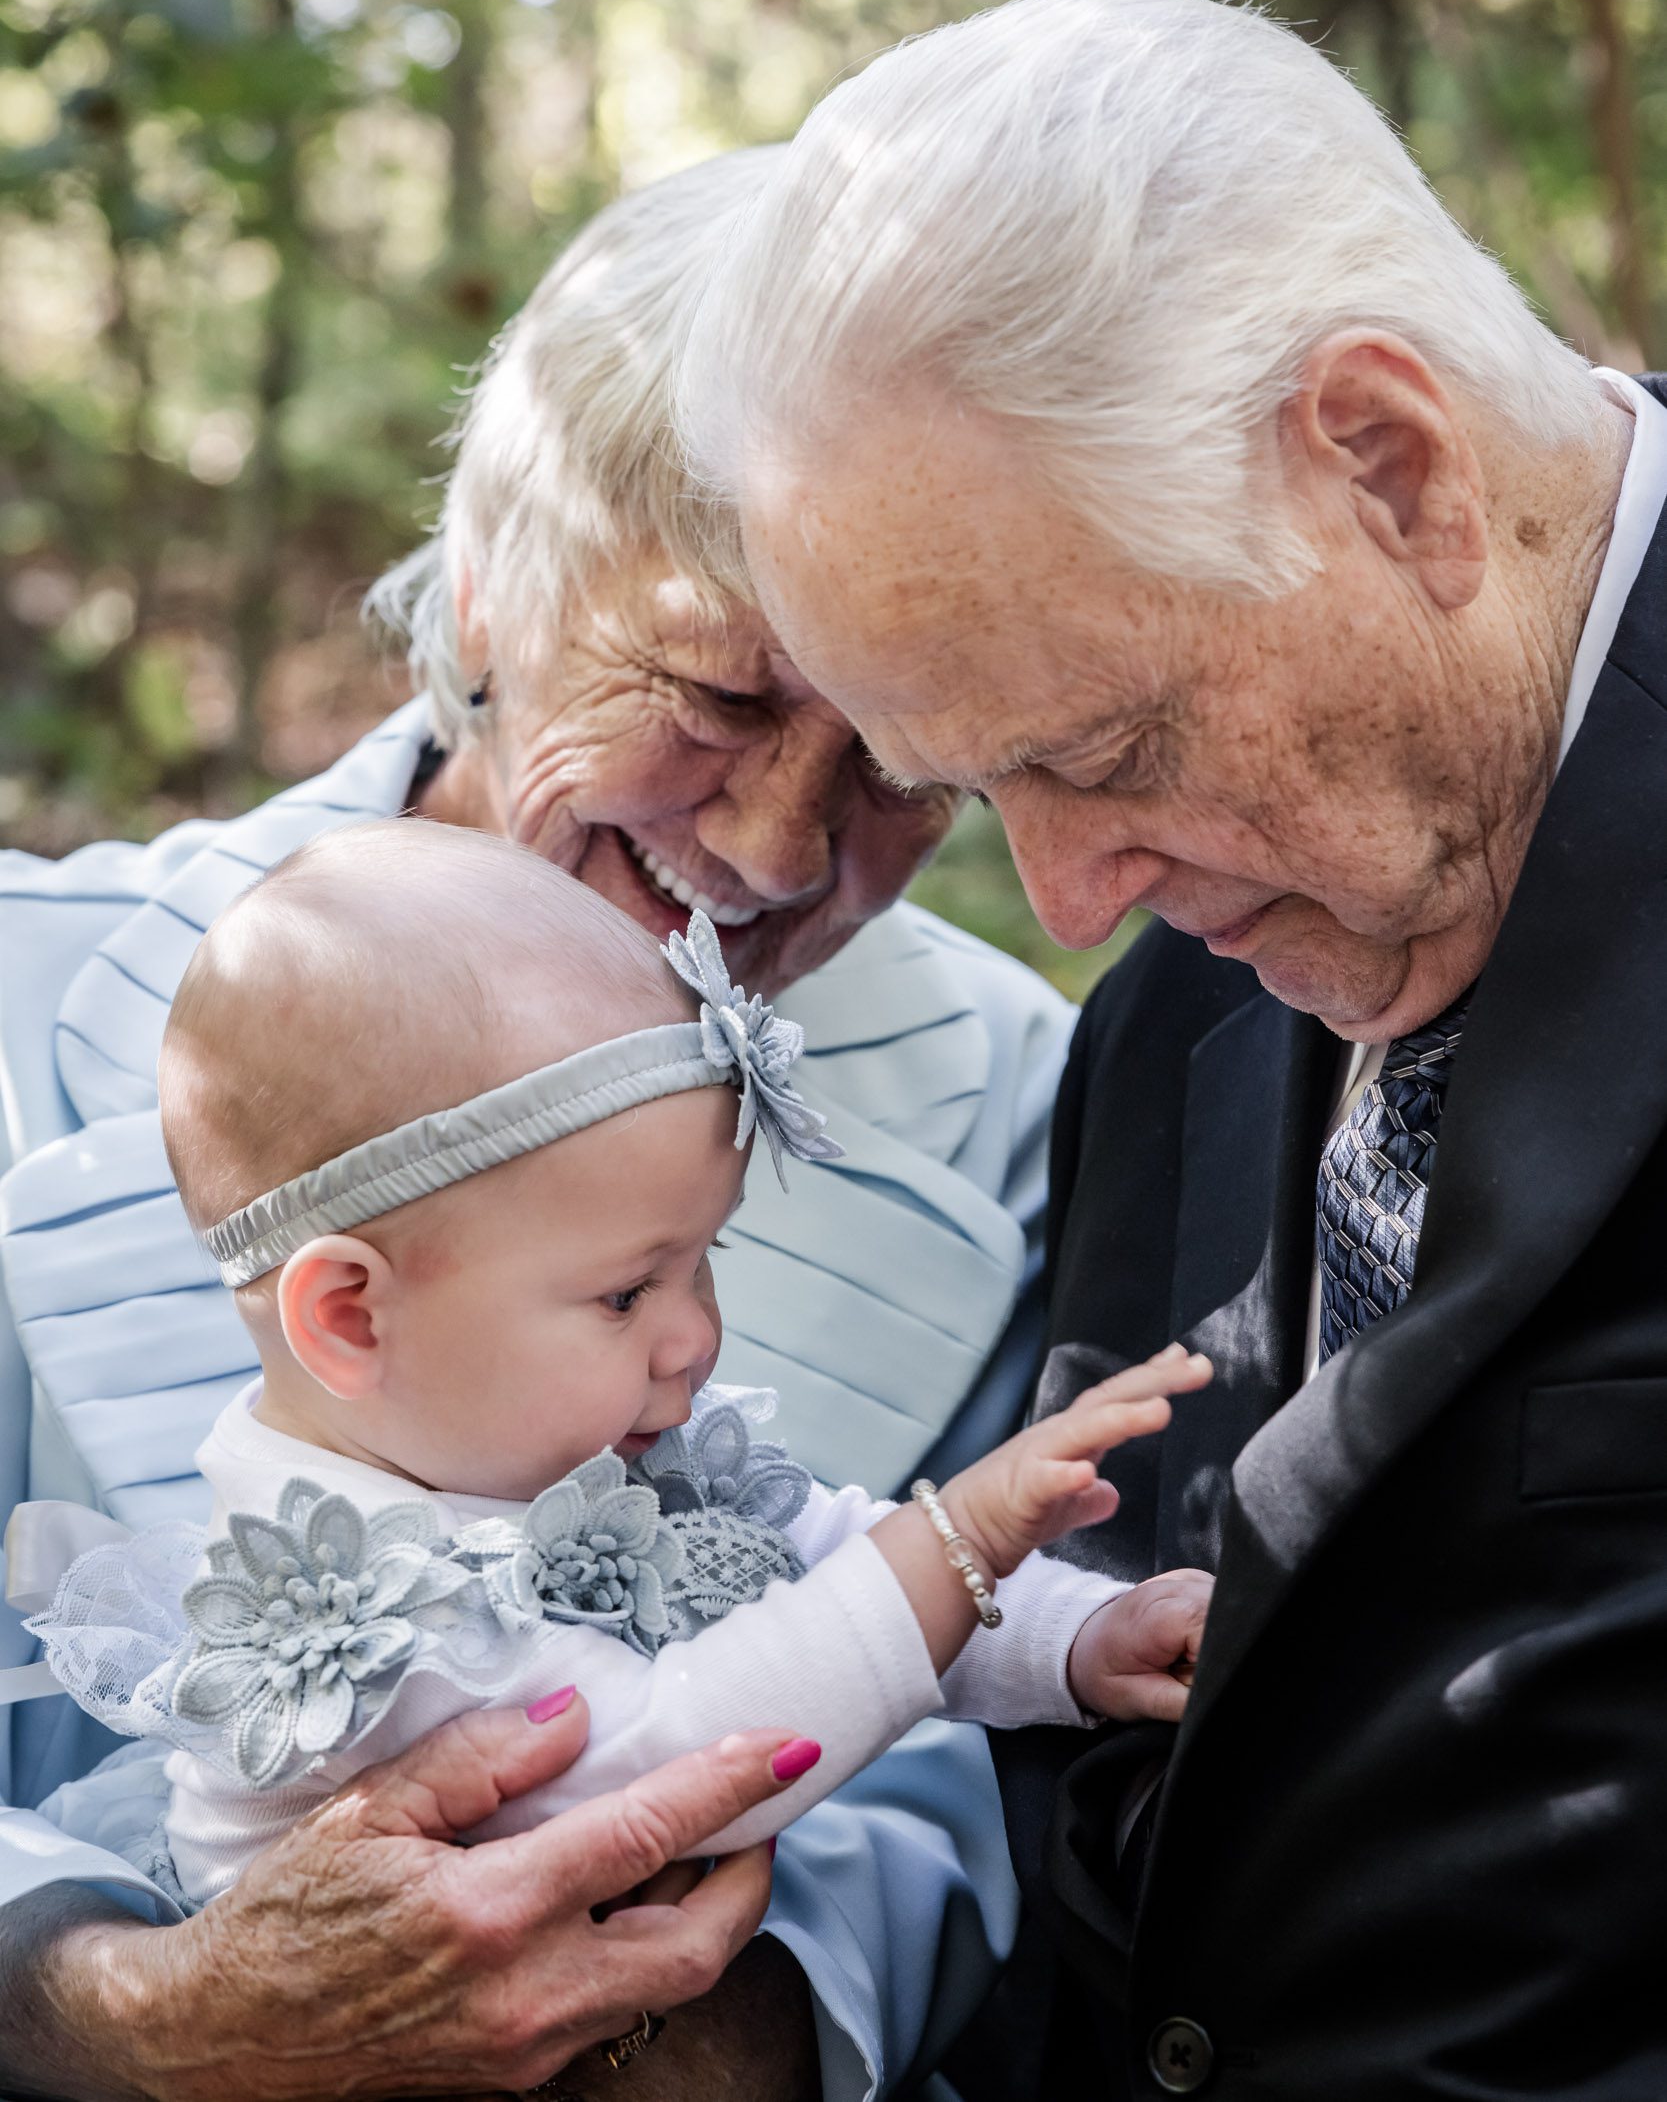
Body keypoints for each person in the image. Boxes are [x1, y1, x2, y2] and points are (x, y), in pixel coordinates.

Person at [678, 0, 1667, 2097]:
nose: (1066, 903)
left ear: (1388, 467)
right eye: (974, 791)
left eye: (1108, 749)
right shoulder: (1174, 1012)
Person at [0, 150, 1074, 2100]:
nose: (777, 848)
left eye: (904, 755)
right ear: (490, 574)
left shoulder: (1022, 1096)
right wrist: (129, 2013)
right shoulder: (22, 999)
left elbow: (999, 1788)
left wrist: (715, 2025)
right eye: (713, 693)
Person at [27, 824, 1211, 1913]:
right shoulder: (377, 1628)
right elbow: (683, 1760)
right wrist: (961, 1538)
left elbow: (819, 1552)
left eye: (705, 1261)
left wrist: (1074, 1635)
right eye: (627, 1292)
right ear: (350, 1318)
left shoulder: (528, 1450)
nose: (694, 1335)